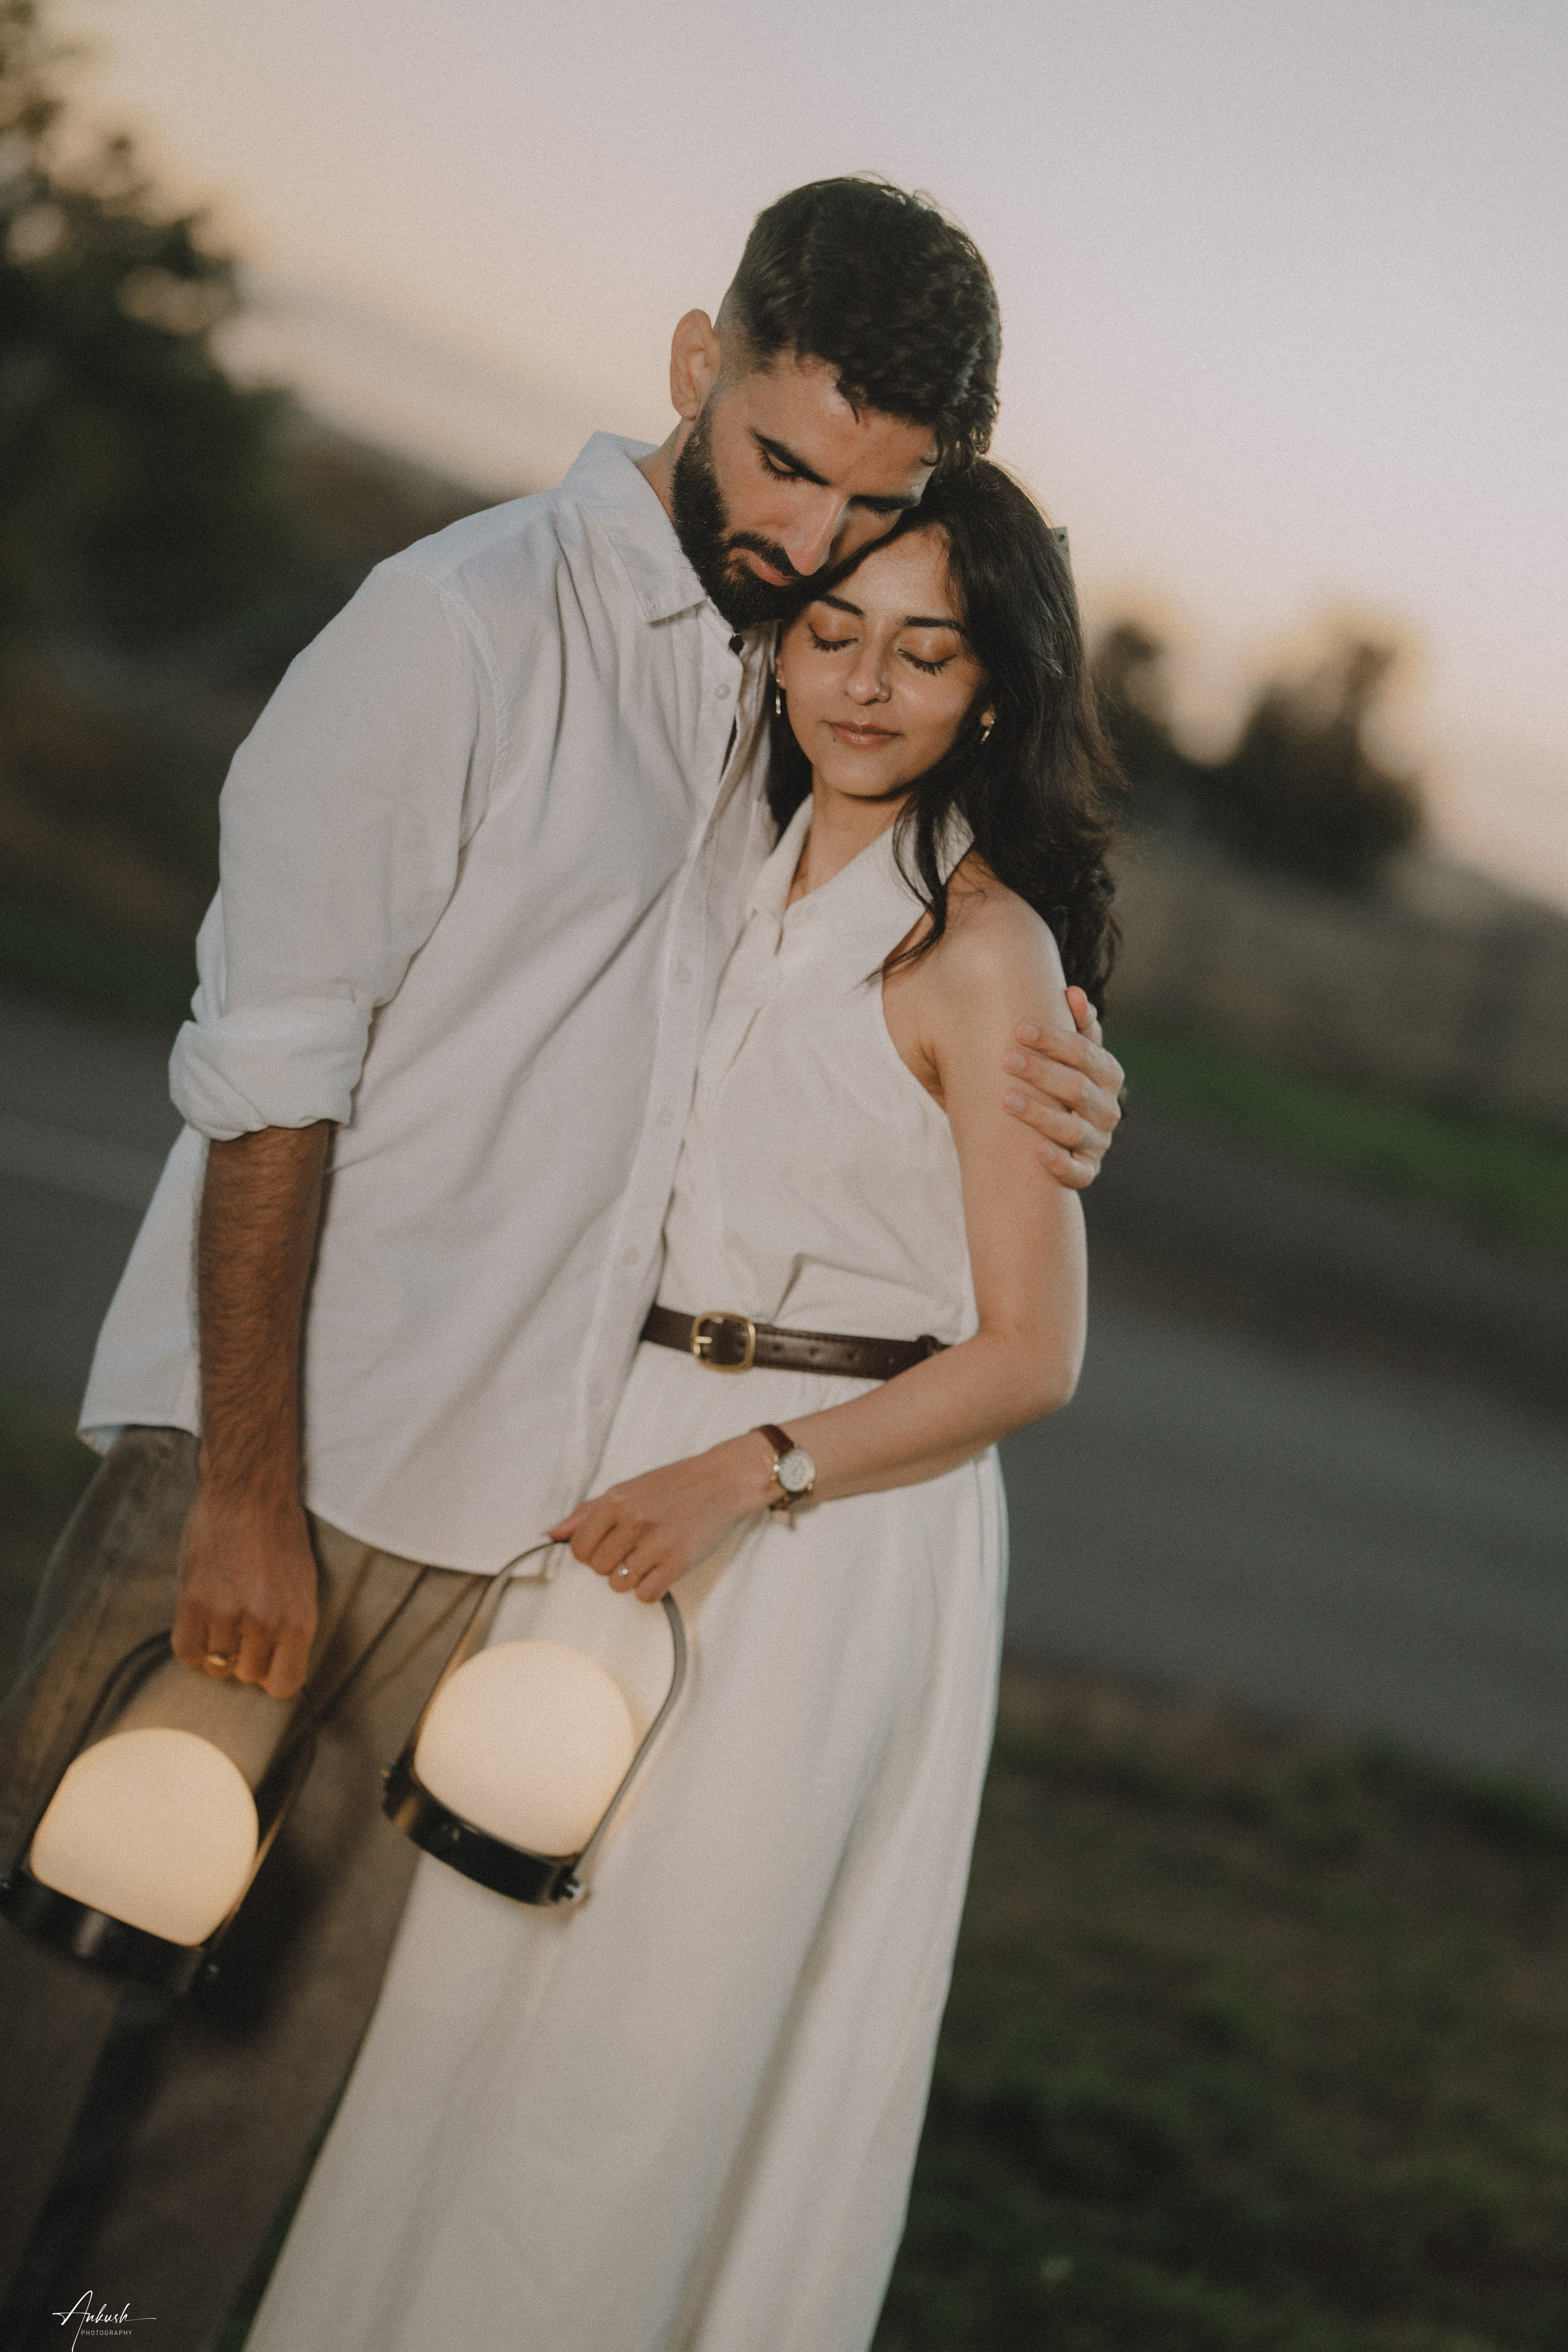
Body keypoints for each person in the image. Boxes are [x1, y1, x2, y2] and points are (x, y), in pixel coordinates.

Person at [0, 179, 1125, 2350]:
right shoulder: (460, 628)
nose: (810, 546)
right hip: (275, 1473)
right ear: (697, 366)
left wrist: (1053, 1083)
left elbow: (846, 1000)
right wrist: (238, 1487)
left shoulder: (764, 673)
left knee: (241, 2120)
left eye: (872, 509)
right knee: (54, 2028)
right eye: (786, 466)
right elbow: (269, 1081)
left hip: (503, 1530)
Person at [244, 456, 1113, 2352]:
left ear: (995, 690)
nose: (865, 688)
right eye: (831, 632)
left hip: (820, 1532)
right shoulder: (718, 861)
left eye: (927, 651)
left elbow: (1030, 1355)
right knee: (462, 2009)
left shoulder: (987, 952)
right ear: (780, 640)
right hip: (605, 1489)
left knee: (638, 2071)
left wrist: (753, 1468)